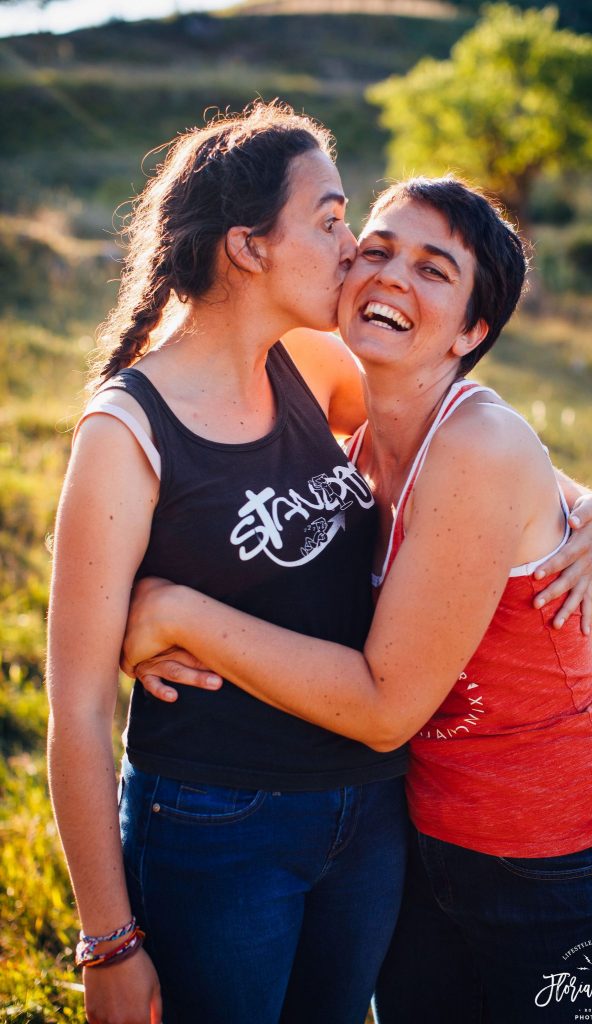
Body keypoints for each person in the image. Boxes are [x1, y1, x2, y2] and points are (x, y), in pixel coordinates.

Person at [123, 177, 592, 1023]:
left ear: (473, 330)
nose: (392, 277)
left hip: (552, 858)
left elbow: (381, 708)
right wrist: (581, 500)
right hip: (414, 842)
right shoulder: (359, 428)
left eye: (434, 269)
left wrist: (178, 614)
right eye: (376, 249)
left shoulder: (479, 442)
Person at [47, 102, 411, 1024]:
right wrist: (109, 944)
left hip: (367, 810)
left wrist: (579, 505)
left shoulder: (305, 362)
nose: (355, 245)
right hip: (219, 827)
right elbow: (78, 712)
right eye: (329, 220)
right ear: (247, 247)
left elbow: (455, 435)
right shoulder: (129, 431)